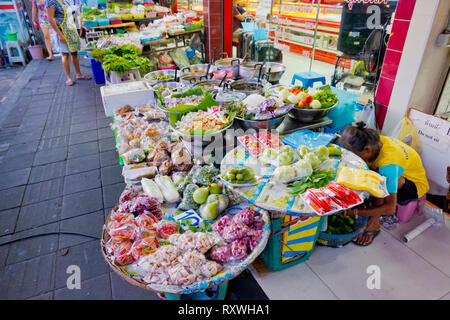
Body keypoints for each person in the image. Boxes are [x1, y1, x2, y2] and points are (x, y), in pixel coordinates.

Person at [339, 122, 429, 246]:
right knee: (372, 175)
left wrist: (353, 213)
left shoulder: (389, 163)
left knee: (380, 179)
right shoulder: (372, 140)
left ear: (367, 149)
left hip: (413, 187)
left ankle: (374, 224)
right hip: (393, 173)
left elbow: (390, 208)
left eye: (357, 156)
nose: (356, 159)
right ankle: (373, 205)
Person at [46, 0, 91, 86]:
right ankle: (69, 78)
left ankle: (79, 74)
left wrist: (80, 26)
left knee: (74, 53)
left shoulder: (63, 1)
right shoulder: (50, 2)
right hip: (62, 31)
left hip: (71, 29)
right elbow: (50, 19)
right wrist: (60, 35)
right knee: (65, 54)